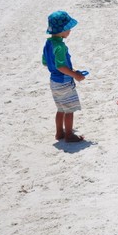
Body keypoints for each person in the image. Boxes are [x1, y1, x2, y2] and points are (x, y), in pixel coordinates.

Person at [42, 11, 86, 142]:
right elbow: (61, 66)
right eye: (68, 28)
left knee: (60, 108)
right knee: (69, 109)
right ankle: (69, 135)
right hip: (64, 82)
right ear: (62, 30)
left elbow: (45, 62)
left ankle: (59, 133)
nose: (70, 31)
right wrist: (75, 75)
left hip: (54, 81)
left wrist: (71, 70)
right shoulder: (60, 46)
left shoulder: (48, 43)